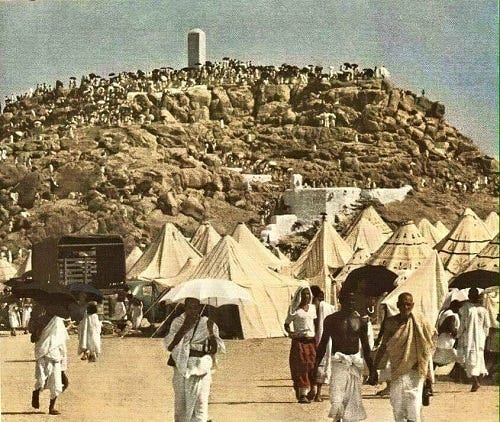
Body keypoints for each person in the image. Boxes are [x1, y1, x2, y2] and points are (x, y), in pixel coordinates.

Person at [315, 289, 378, 421]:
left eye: (353, 300)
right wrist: (315, 366)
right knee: (337, 400)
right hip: (339, 363)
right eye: (347, 300)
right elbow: (322, 345)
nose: (351, 303)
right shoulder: (331, 320)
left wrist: (372, 370)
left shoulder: (361, 322)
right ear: (340, 300)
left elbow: (366, 348)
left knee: (352, 403)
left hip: (354, 364)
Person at [374, 293, 435, 422]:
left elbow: (428, 345)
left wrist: (428, 373)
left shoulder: (420, 322)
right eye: (402, 304)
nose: (405, 307)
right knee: (397, 404)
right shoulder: (390, 323)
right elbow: (384, 346)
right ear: (397, 305)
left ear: (412, 305)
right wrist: (374, 368)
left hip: (415, 370)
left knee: (414, 404)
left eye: (408, 304)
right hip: (397, 369)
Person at [164, 297, 224, 422]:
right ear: (185, 308)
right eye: (190, 307)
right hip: (181, 366)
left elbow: (215, 349)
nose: (193, 310)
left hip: (200, 366)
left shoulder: (207, 323)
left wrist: (210, 330)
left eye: (196, 307)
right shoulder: (178, 322)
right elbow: (170, 346)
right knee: (181, 403)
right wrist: (184, 328)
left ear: (200, 308)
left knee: (200, 402)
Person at [30, 302, 70, 415]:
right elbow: (33, 338)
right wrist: (37, 331)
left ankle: (51, 408)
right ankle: (36, 392)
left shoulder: (58, 322)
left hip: (55, 356)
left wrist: (63, 368)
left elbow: (61, 343)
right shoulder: (40, 320)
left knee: (56, 382)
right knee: (41, 379)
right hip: (42, 353)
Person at [284, 285, 317, 403]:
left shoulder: (312, 308)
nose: (306, 296)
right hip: (299, 342)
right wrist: (291, 333)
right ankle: (303, 394)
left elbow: (315, 323)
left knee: (312, 365)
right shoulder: (294, 309)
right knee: (301, 366)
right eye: (304, 294)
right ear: (299, 295)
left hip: (311, 341)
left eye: (308, 293)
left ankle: (312, 390)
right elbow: (286, 324)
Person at [456, 287, 490, 392]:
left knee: (470, 360)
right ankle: (477, 381)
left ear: (469, 295)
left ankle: (475, 382)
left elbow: (462, 325)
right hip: (480, 338)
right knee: (479, 359)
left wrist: (458, 335)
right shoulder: (483, 309)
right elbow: (487, 325)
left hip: (469, 337)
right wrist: (484, 336)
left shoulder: (465, 308)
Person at [310, 285, 336, 402]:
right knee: (313, 365)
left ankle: (317, 392)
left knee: (320, 364)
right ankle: (313, 390)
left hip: (321, 338)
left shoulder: (322, 307)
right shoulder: (311, 308)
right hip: (312, 339)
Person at [433, 300, 461, 367]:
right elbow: (450, 328)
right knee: (441, 360)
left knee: (438, 359)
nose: (459, 310)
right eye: (458, 308)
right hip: (446, 341)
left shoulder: (445, 312)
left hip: (442, 340)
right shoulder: (451, 315)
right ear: (455, 307)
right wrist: (457, 335)